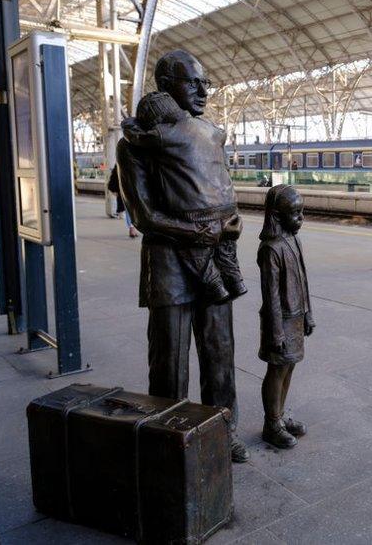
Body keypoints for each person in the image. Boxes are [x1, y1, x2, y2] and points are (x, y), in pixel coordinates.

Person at [117, 49, 250, 463]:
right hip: (169, 263)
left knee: (220, 354)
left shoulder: (207, 134)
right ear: (166, 86)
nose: (202, 90)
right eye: (192, 81)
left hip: (212, 254)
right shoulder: (135, 147)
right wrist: (195, 230)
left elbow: (219, 192)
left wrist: (232, 223)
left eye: (204, 82)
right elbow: (144, 215)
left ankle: (222, 434)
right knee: (170, 363)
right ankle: (170, 441)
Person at [122, 90, 246, 304]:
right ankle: (235, 280)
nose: (202, 91)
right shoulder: (211, 130)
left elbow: (137, 137)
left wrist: (130, 126)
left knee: (197, 255)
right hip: (227, 207)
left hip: (198, 212)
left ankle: (216, 286)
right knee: (226, 251)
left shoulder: (162, 134)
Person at [257, 185, 314, 449]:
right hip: (279, 321)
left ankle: (279, 415)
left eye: (302, 212)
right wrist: (276, 331)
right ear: (277, 217)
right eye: (295, 213)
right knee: (277, 369)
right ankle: (272, 424)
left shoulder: (294, 240)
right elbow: (270, 297)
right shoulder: (270, 249)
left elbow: (303, 281)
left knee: (289, 366)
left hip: (296, 317)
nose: (301, 218)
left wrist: (308, 313)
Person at [106, 166, 139, 238]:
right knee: (130, 210)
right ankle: (132, 228)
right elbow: (115, 176)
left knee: (133, 210)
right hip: (127, 190)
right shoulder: (121, 162)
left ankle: (133, 228)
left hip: (135, 190)